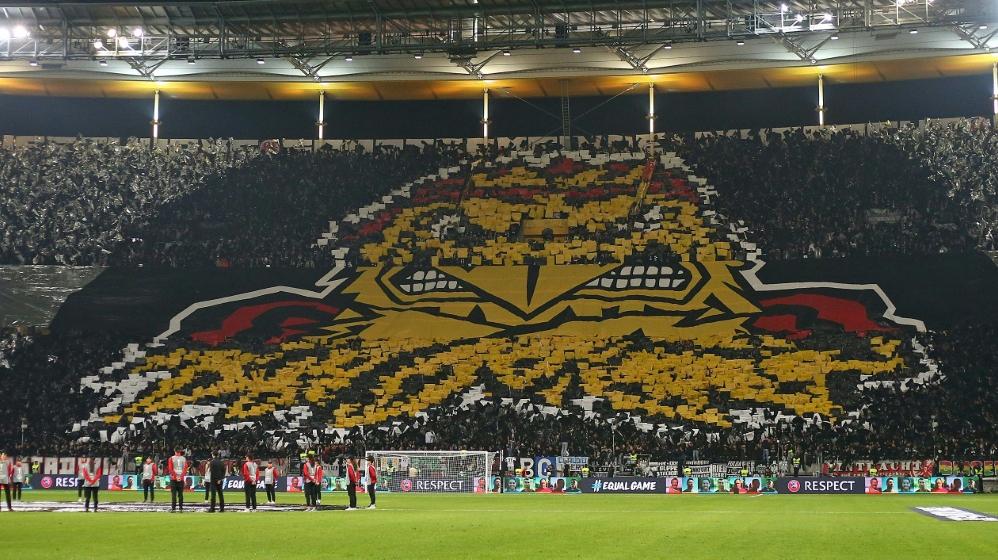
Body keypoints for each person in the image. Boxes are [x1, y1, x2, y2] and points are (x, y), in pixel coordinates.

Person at [167, 448, 187, 512]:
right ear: (180, 451)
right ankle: (181, 508)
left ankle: (173, 508)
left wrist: (176, 476)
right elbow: (185, 469)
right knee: (180, 494)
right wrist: (180, 477)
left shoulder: (171, 458)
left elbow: (170, 469)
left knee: (173, 494)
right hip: (181, 479)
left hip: (173, 478)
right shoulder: (184, 459)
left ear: (174, 451)